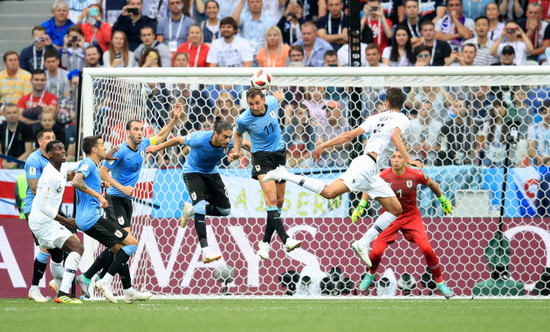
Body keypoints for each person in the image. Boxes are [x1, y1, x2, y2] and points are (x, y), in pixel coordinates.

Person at [262, 88, 422, 268]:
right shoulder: (402, 119)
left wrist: (323, 144)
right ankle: (286, 174)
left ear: (386, 103)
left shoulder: (375, 117)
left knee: (395, 209)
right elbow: (394, 135)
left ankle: (362, 243)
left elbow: (349, 135)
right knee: (329, 192)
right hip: (366, 165)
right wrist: (409, 159)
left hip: (371, 170)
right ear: (402, 104)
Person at [80, 106, 181, 295]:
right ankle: (109, 282)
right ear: (127, 132)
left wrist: (174, 119)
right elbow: (103, 172)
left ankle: (91, 277)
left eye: (141, 129)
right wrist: (122, 188)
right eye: (136, 129)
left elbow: (160, 137)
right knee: (126, 243)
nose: (140, 133)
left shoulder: (143, 145)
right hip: (115, 199)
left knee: (119, 246)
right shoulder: (119, 150)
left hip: (127, 202)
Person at [352, 150, 453, 299]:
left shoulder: (415, 174)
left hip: (411, 216)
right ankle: (371, 274)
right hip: (389, 216)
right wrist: (361, 205)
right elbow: (369, 188)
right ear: (390, 160)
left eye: (400, 157)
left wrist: (442, 199)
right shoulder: (384, 175)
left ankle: (440, 282)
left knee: (427, 249)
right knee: (376, 252)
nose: (396, 159)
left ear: (405, 160)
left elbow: (431, 183)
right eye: (393, 157)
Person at [146, 118, 248, 262]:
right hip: (192, 172)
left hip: (211, 172)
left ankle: (190, 210)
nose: (228, 140)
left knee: (225, 211)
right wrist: (158, 147)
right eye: (225, 136)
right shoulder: (199, 138)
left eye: (230, 137)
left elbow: (246, 144)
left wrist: (253, 152)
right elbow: (178, 140)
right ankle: (206, 250)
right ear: (215, 134)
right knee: (200, 205)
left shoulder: (230, 142)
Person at [231, 88, 303, 260]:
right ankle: (286, 239)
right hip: (261, 157)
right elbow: (238, 134)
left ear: (263, 100)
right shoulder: (244, 119)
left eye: (257, 103)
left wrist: (280, 96)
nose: (254, 107)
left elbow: (278, 97)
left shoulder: (271, 102)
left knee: (279, 201)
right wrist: (236, 150)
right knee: (270, 199)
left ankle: (265, 242)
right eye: (250, 104)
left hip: (279, 154)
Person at [71, 135, 143, 303]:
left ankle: (90, 278)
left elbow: (83, 182)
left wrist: (100, 185)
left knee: (118, 248)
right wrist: (99, 196)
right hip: (91, 220)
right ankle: (104, 281)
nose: (105, 148)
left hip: (88, 219)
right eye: (102, 145)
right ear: (94, 149)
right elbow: (76, 181)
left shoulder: (93, 166)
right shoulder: (88, 163)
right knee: (131, 244)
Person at [28, 140, 84, 304]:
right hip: (42, 221)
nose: (63, 150)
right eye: (58, 149)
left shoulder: (62, 168)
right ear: (50, 154)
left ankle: (51, 285)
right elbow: (44, 207)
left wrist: (100, 158)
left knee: (55, 255)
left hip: (44, 221)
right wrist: (67, 221)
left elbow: (78, 164)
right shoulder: (49, 175)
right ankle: (63, 293)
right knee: (77, 247)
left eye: (63, 147)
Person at [0, 104, 33, 168]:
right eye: (9, 113)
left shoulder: (26, 128)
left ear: (18, 113)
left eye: (14, 112)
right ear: (4, 114)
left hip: (21, 160)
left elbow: (28, 151)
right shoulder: (0, 128)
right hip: (4, 160)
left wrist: (14, 163)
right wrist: (3, 161)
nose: (12, 115)